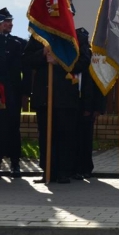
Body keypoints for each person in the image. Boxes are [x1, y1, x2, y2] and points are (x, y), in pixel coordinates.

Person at [23, 23, 92, 183]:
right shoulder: (39, 36)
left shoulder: (76, 37)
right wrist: (42, 53)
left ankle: (64, 172)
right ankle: (48, 171)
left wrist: (59, 61)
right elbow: (26, 59)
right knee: (46, 136)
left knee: (66, 136)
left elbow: (84, 62)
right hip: (44, 96)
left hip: (66, 97)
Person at [73, 28, 105, 180]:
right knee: (71, 138)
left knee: (85, 139)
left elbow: (100, 85)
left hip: (88, 104)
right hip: (71, 102)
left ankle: (86, 168)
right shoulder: (70, 57)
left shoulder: (94, 59)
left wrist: (97, 107)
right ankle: (72, 168)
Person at [0, 8, 28, 178]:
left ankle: (15, 162)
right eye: (6, 21)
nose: (10, 24)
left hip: (11, 93)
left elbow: (25, 70)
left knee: (13, 127)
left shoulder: (18, 44)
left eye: (11, 22)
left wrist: (25, 93)